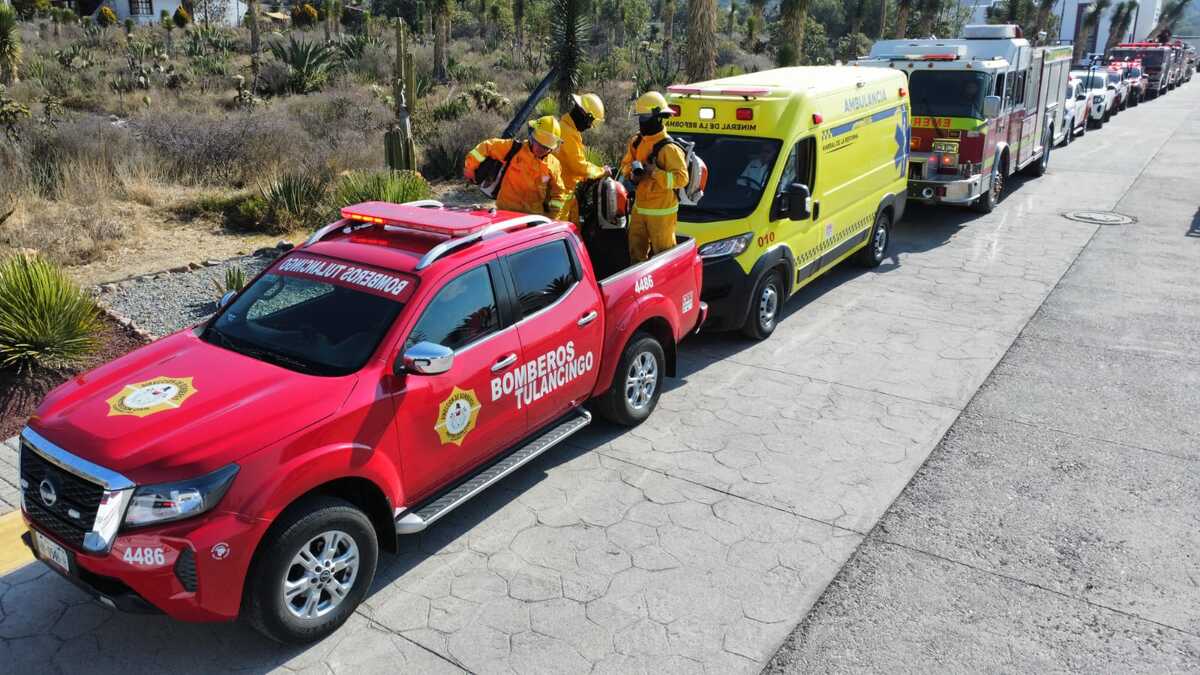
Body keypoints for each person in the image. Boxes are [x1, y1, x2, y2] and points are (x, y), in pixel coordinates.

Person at [621, 91, 689, 263]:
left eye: (645, 117)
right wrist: (633, 175)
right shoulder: (637, 142)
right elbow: (625, 166)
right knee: (636, 254)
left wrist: (654, 172)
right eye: (640, 117)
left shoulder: (669, 149)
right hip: (640, 208)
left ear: (658, 117)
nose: (642, 122)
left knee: (664, 258)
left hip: (662, 211)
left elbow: (682, 179)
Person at [463, 116, 569, 219]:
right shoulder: (513, 149)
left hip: (532, 218)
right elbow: (486, 147)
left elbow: (559, 192)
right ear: (532, 138)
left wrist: (552, 217)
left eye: (547, 148)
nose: (542, 150)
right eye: (540, 144)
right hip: (505, 213)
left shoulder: (554, 164)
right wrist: (470, 168)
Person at [556, 93, 610, 223]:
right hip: (558, 198)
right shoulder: (568, 133)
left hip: (566, 196)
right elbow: (578, 166)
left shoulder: (565, 127)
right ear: (584, 115)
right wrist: (602, 171)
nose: (589, 126)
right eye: (590, 122)